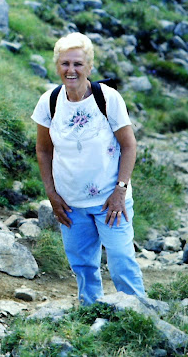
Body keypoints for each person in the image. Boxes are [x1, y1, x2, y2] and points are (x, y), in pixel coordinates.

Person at [32, 32, 145, 305]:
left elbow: (129, 146)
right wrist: (51, 193)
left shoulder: (108, 99)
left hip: (111, 201)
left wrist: (120, 191)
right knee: (82, 265)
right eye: (65, 64)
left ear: (89, 67)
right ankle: (91, 314)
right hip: (70, 203)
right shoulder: (49, 101)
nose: (71, 70)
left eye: (78, 64)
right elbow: (44, 150)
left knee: (121, 260)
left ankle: (139, 315)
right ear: (57, 66)